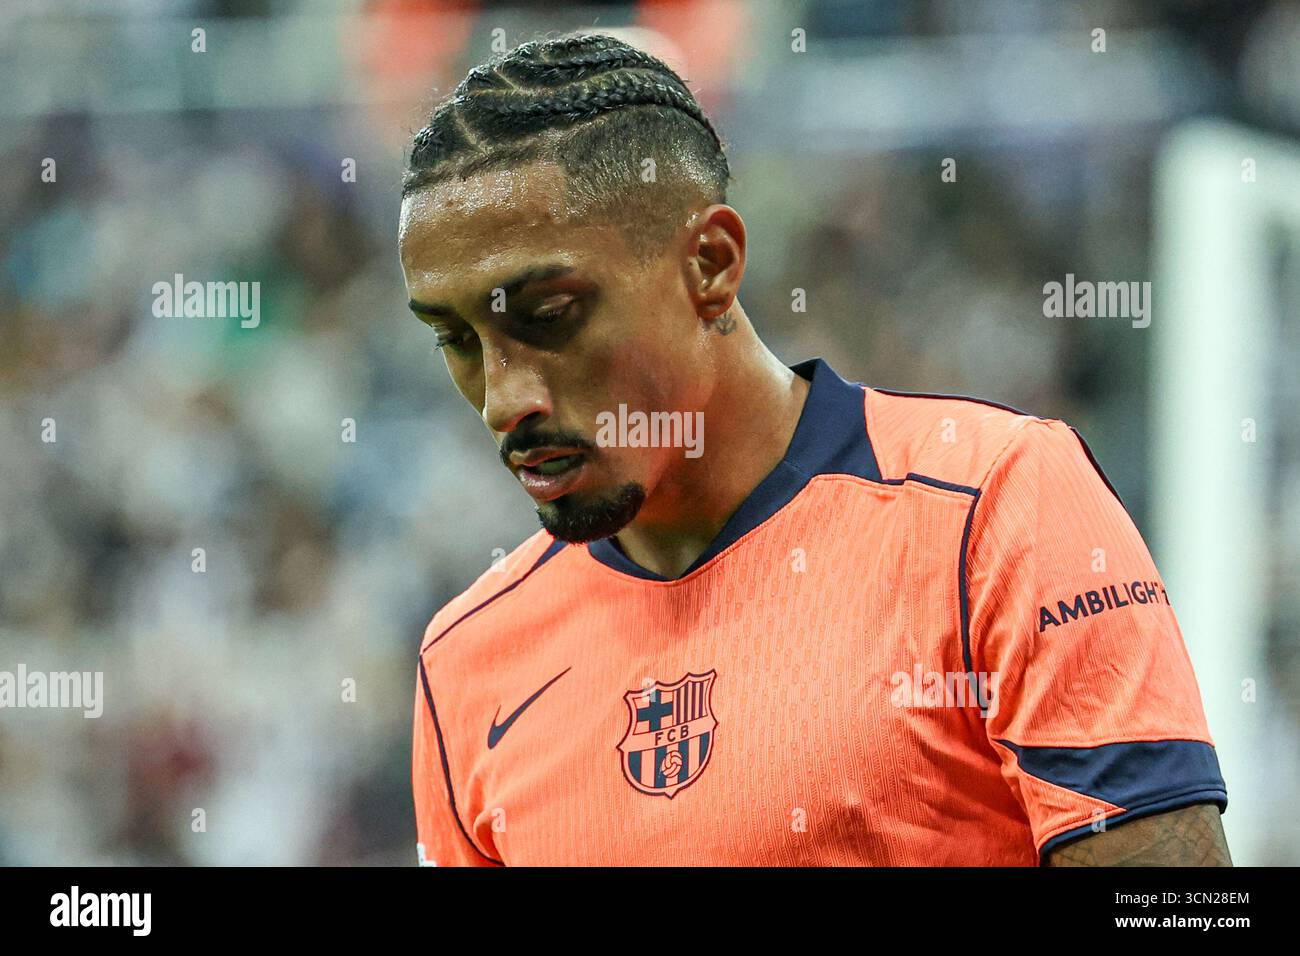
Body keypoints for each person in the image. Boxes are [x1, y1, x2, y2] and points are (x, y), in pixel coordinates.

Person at [398, 32, 1229, 866]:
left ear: (710, 265)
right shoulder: (467, 660)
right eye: (456, 340)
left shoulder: (995, 505)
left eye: (549, 316)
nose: (505, 398)